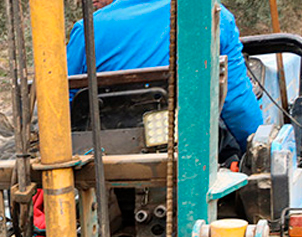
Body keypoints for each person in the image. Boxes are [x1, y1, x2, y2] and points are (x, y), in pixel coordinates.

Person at [66, 0, 264, 152]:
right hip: (189, 157)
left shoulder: (86, 30)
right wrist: (258, 150)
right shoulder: (211, 17)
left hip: (105, 163)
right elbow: (238, 108)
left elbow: (63, 105)